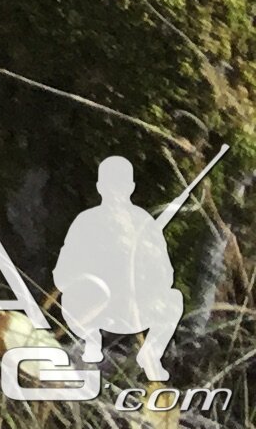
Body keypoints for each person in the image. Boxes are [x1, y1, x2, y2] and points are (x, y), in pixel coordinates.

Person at [51, 154, 185, 381]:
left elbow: (166, 276)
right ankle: (90, 350)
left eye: (120, 185)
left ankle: (147, 357)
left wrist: (142, 267)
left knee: (174, 299)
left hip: (133, 309)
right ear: (100, 187)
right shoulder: (87, 220)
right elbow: (63, 274)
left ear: (131, 187)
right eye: (111, 185)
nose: (116, 192)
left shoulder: (144, 223)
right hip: (93, 309)